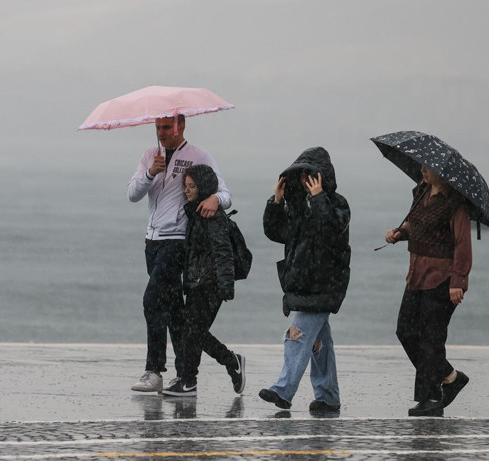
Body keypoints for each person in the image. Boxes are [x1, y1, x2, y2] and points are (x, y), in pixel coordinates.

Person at [127, 115, 232, 392]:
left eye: (167, 127)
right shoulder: (150, 155)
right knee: (176, 313)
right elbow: (132, 194)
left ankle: (154, 370)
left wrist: (214, 199)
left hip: (176, 242)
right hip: (152, 242)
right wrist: (150, 173)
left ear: (180, 126)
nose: (161, 133)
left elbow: (225, 193)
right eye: (158, 128)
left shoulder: (199, 155)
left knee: (152, 300)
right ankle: (192, 375)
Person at [258, 147, 350, 414]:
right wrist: (275, 202)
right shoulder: (296, 207)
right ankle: (328, 396)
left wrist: (319, 197)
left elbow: (331, 230)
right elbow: (276, 232)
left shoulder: (338, 204)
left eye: (311, 175)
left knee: (296, 335)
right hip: (301, 283)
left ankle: (283, 390)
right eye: (301, 176)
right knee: (320, 344)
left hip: (324, 283)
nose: (305, 181)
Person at [384, 164, 472, 417]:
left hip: (443, 279)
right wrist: (400, 233)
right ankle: (450, 378)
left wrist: (458, 281)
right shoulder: (421, 192)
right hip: (416, 274)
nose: (423, 170)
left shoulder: (456, 203)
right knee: (406, 331)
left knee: (432, 338)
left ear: (443, 172)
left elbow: (462, 244)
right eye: (422, 165)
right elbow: (417, 225)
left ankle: (430, 399)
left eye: (429, 167)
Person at [161, 164, 245, 397]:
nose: (187, 190)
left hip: (211, 284)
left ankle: (191, 380)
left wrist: (226, 286)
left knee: (193, 332)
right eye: (185, 186)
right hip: (197, 283)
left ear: (203, 187)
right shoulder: (196, 213)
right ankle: (222, 365)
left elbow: (223, 251)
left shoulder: (211, 216)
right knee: (192, 332)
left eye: (192, 186)